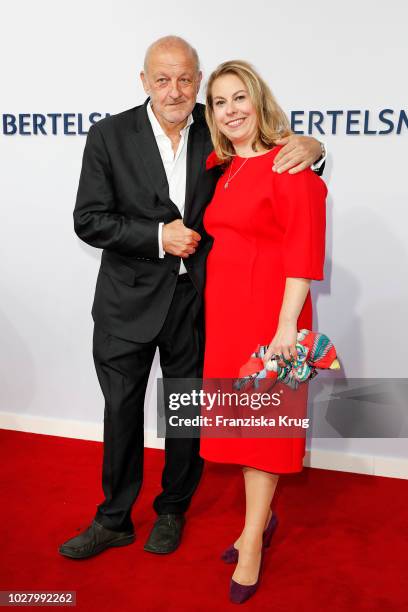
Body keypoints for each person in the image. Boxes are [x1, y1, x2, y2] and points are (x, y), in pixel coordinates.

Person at [59, 36, 325, 560]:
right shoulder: (109, 135)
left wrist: (314, 149)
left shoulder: (220, 122)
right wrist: (159, 237)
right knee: (121, 412)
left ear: (198, 80)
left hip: (199, 303)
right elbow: (88, 219)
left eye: (185, 78)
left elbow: (273, 153)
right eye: (162, 79)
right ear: (144, 82)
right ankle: (113, 518)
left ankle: (172, 509)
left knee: (185, 413)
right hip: (126, 303)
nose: (175, 90)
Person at [200, 60, 327, 603]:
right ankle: (261, 520)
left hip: (271, 323)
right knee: (244, 428)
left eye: (239, 98)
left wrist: (283, 329)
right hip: (227, 318)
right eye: (220, 102)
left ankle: (251, 540)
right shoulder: (223, 167)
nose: (231, 111)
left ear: (258, 100)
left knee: (265, 435)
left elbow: (302, 255)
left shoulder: (290, 167)